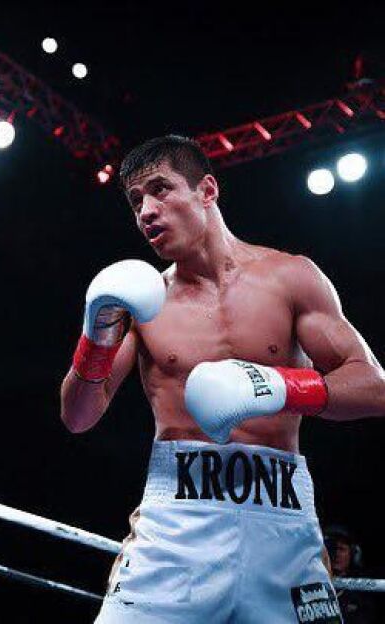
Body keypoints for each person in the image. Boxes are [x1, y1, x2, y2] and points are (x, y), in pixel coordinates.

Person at [59, 135, 385, 623]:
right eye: (135, 201)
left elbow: (374, 387)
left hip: (283, 526)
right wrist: (96, 335)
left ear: (207, 190)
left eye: (160, 189)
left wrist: (277, 388)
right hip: (176, 529)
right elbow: (78, 417)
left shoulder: (291, 278)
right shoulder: (141, 302)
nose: (146, 211)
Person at [323, 525, 379, 622]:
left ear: (353, 554)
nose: (336, 554)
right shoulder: (311, 583)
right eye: (332, 549)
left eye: (341, 549)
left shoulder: (362, 590)